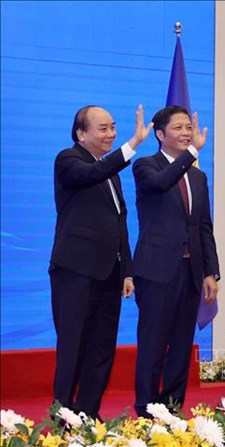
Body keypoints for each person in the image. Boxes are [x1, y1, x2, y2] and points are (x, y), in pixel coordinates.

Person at [49, 104, 152, 420]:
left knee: (101, 349)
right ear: (81, 133)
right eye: (103, 128)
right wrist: (132, 145)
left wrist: (127, 271)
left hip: (109, 274)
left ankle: (88, 415)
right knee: (73, 347)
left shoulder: (110, 173)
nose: (111, 133)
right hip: (75, 271)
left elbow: (119, 222)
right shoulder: (69, 160)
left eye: (113, 127)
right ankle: (63, 417)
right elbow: (93, 173)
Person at [132, 105, 220, 418]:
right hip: (156, 271)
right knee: (153, 342)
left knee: (182, 345)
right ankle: (145, 409)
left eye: (188, 128)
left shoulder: (198, 177)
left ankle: (171, 409)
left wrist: (212, 271)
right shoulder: (145, 166)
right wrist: (193, 150)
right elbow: (162, 183)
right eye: (179, 128)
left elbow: (204, 227)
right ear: (159, 133)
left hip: (191, 271)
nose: (186, 134)